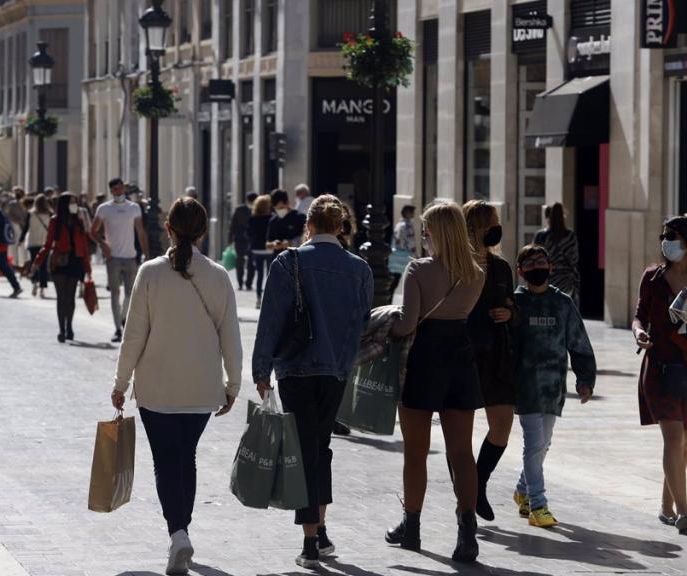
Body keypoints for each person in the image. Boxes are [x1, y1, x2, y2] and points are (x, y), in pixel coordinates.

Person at [110, 197, 241, 575]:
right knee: (186, 457)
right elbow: (231, 337)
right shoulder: (218, 276)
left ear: (168, 228)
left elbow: (134, 335)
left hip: (156, 388)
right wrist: (233, 384)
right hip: (202, 388)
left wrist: (121, 382)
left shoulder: (150, 273)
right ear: (202, 232)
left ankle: (178, 532)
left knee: (166, 461)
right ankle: (182, 528)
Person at [252, 195, 373, 568]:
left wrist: (261, 369)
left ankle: (310, 540)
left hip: (295, 368)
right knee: (320, 448)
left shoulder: (288, 262)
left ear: (308, 225)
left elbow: (271, 319)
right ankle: (319, 530)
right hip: (335, 370)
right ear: (340, 226)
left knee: (305, 450)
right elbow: (362, 324)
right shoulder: (359, 269)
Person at [386, 201, 485, 563]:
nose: (423, 237)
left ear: (435, 233)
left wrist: (386, 326)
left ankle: (411, 527)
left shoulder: (418, 269)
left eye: (426, 231)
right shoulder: (476, 273)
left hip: (424, 359)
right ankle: (467, 532)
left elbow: (407, 324)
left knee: (415, 452)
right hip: (460, 357)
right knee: (461, 452)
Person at [512, 244, 596, 527]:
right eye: (530, 263)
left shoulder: (563, 303)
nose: (536, 267)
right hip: (525, 387)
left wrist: (585, 379)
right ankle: (538, 505)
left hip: (553, 388)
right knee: (533, 445)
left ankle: (523, 490)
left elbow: (579, 343)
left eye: (541, 262)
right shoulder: (514, 304)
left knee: (544, 444)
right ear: (520, 271)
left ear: (551, 268)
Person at [462, 200, 519, 522]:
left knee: (502, 424)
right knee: (460, 432)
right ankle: (467, 498)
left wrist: (509, 313)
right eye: (492, 222)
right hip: (464, 353)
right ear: (477, 226)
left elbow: (513, 306)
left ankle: (479, 482)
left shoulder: (501, 267)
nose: (498, 227)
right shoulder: (457, 265)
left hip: (497, 354)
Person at [634, 216, 687, 535]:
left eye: (674, 236)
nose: (667, 242)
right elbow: (639, 316)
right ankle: (684, 512)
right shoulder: (652, 277)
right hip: (660, 367)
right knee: (674, 437)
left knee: (683, 444)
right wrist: (638, 333)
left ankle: (667, 506)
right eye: (665, 236)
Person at [92, 178, 150, 343]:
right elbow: (93, 231)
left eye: (121, 188)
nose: (119, 191)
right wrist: (103, 244)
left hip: (131, 256)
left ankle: (124, 318)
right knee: (115, 293)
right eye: (115, 189)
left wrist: (146, 254)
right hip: (113, 258)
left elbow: (140, 231)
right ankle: (118, 329)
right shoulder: (104, 209)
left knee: (130, 293)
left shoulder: (134, 208)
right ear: (111, 191)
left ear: (124, 189)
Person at [32, 193, 92, 341]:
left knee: (70, 297)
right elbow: (47, 244)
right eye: (71, 202)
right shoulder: (55, 221)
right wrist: (37, 261)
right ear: (64, 204)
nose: (74, 205)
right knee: (61, 297)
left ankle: (69, 326)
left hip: (75, 261)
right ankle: (61, 329)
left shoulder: (79, 221)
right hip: (59, 261)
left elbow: (84, 246)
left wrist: (87, 267)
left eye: (75, 202)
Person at [534, 202, 580, 305]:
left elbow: (534, 257)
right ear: (563, 216)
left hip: (545, 280)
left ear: (547, 217)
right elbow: (574, 259)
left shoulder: (541, 236)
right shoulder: (570, 236)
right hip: (566, 281)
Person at [248, 194, 274, 308]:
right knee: (270, 274)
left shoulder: (252, 219)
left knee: (259, 275)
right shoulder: (272, 218)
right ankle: (269, 299)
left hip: (256, 249)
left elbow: (248, 233)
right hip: (269, 248)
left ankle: (258, 299)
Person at [25, 194, 52, 298]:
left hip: (33, 242)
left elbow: (26, 228)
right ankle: (42, 289)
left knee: (34, 264)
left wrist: (21, 239)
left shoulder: (31, 213)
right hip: (45, 243)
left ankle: (34, 284)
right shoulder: (49, 214)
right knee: (43, 266)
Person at [229, 192, 257, 291]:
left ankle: (244, 283)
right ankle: (245, 283)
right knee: (245, 261)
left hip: (245, 239)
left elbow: (232, 225)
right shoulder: (243, 209)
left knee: (244, 261)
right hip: (244, 239)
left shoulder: (240, 209)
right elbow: (233, 224)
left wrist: (230, 238)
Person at [267, 189, 307, 257]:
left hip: (297, 257)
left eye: (282, 207)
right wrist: (273, 244)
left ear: (288, 203)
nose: (280, 210)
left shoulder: (300, 217)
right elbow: (268, 243)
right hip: (278, 258)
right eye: (277, 209)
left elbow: (306, 237)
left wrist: (290, 243)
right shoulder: (273, 220)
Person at [391, 205, 418, 291]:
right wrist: (414, 253)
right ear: (407, 213)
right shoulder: (406, 225)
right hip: (405, 254)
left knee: (396, 277)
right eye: (412, 212)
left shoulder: (400, 224)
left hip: (400, 254)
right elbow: (409, 241)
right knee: (405, 276)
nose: (413, 214)